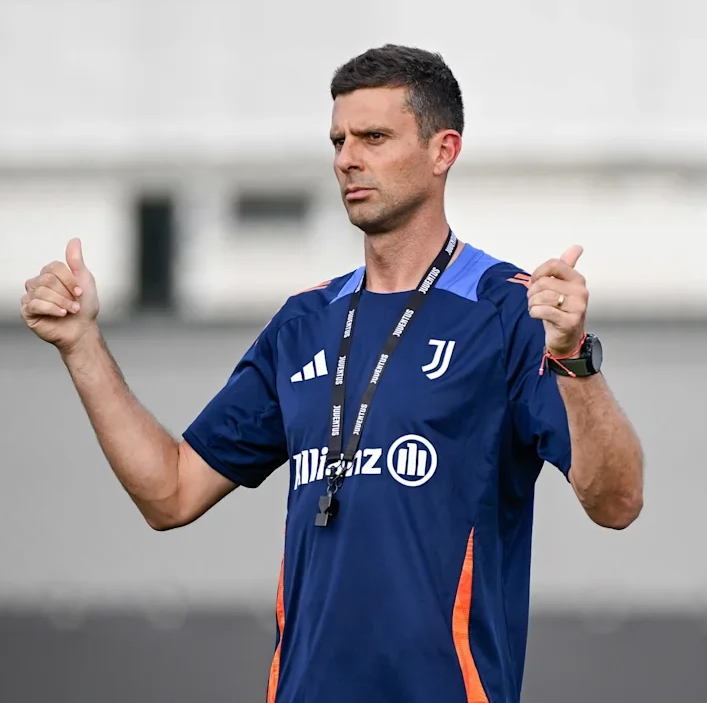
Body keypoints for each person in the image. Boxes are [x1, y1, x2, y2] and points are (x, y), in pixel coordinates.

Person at [20, 44, 644, 703]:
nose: (348, 158)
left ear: (443, 151)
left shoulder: (508, 313)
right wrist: (81, 345)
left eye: (374, 137)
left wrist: (572, 355)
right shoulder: (304, 323)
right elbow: (170, 492)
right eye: (339, 139)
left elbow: (618, 502)